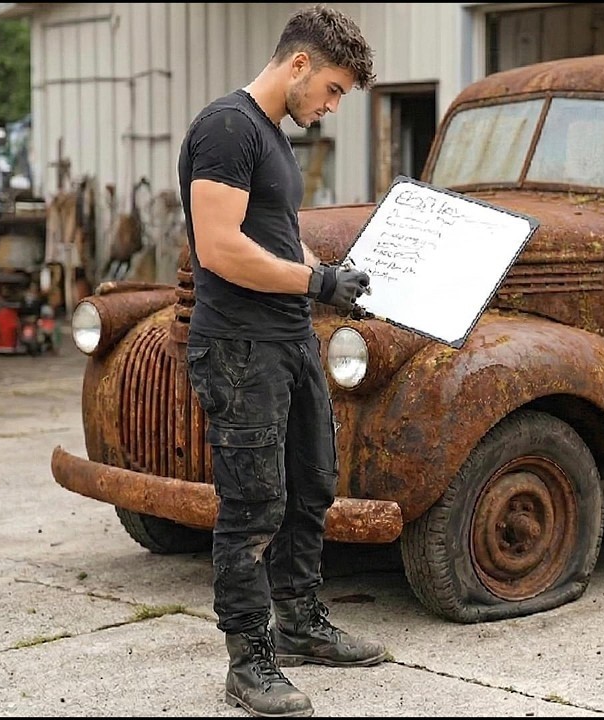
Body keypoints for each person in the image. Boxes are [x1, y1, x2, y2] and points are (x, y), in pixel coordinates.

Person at [176, 6, 383, 716]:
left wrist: (333, 276)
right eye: (330, 89)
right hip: (239, 347)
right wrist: (316, 283)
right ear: (299, 63)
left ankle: (299, 623)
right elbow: (220, 247)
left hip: (289, 339)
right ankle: (248, 660)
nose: (328, 107)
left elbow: (272, 238)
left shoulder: (269, 138)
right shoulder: (227, 129)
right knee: (253, 503)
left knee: (311, 485)